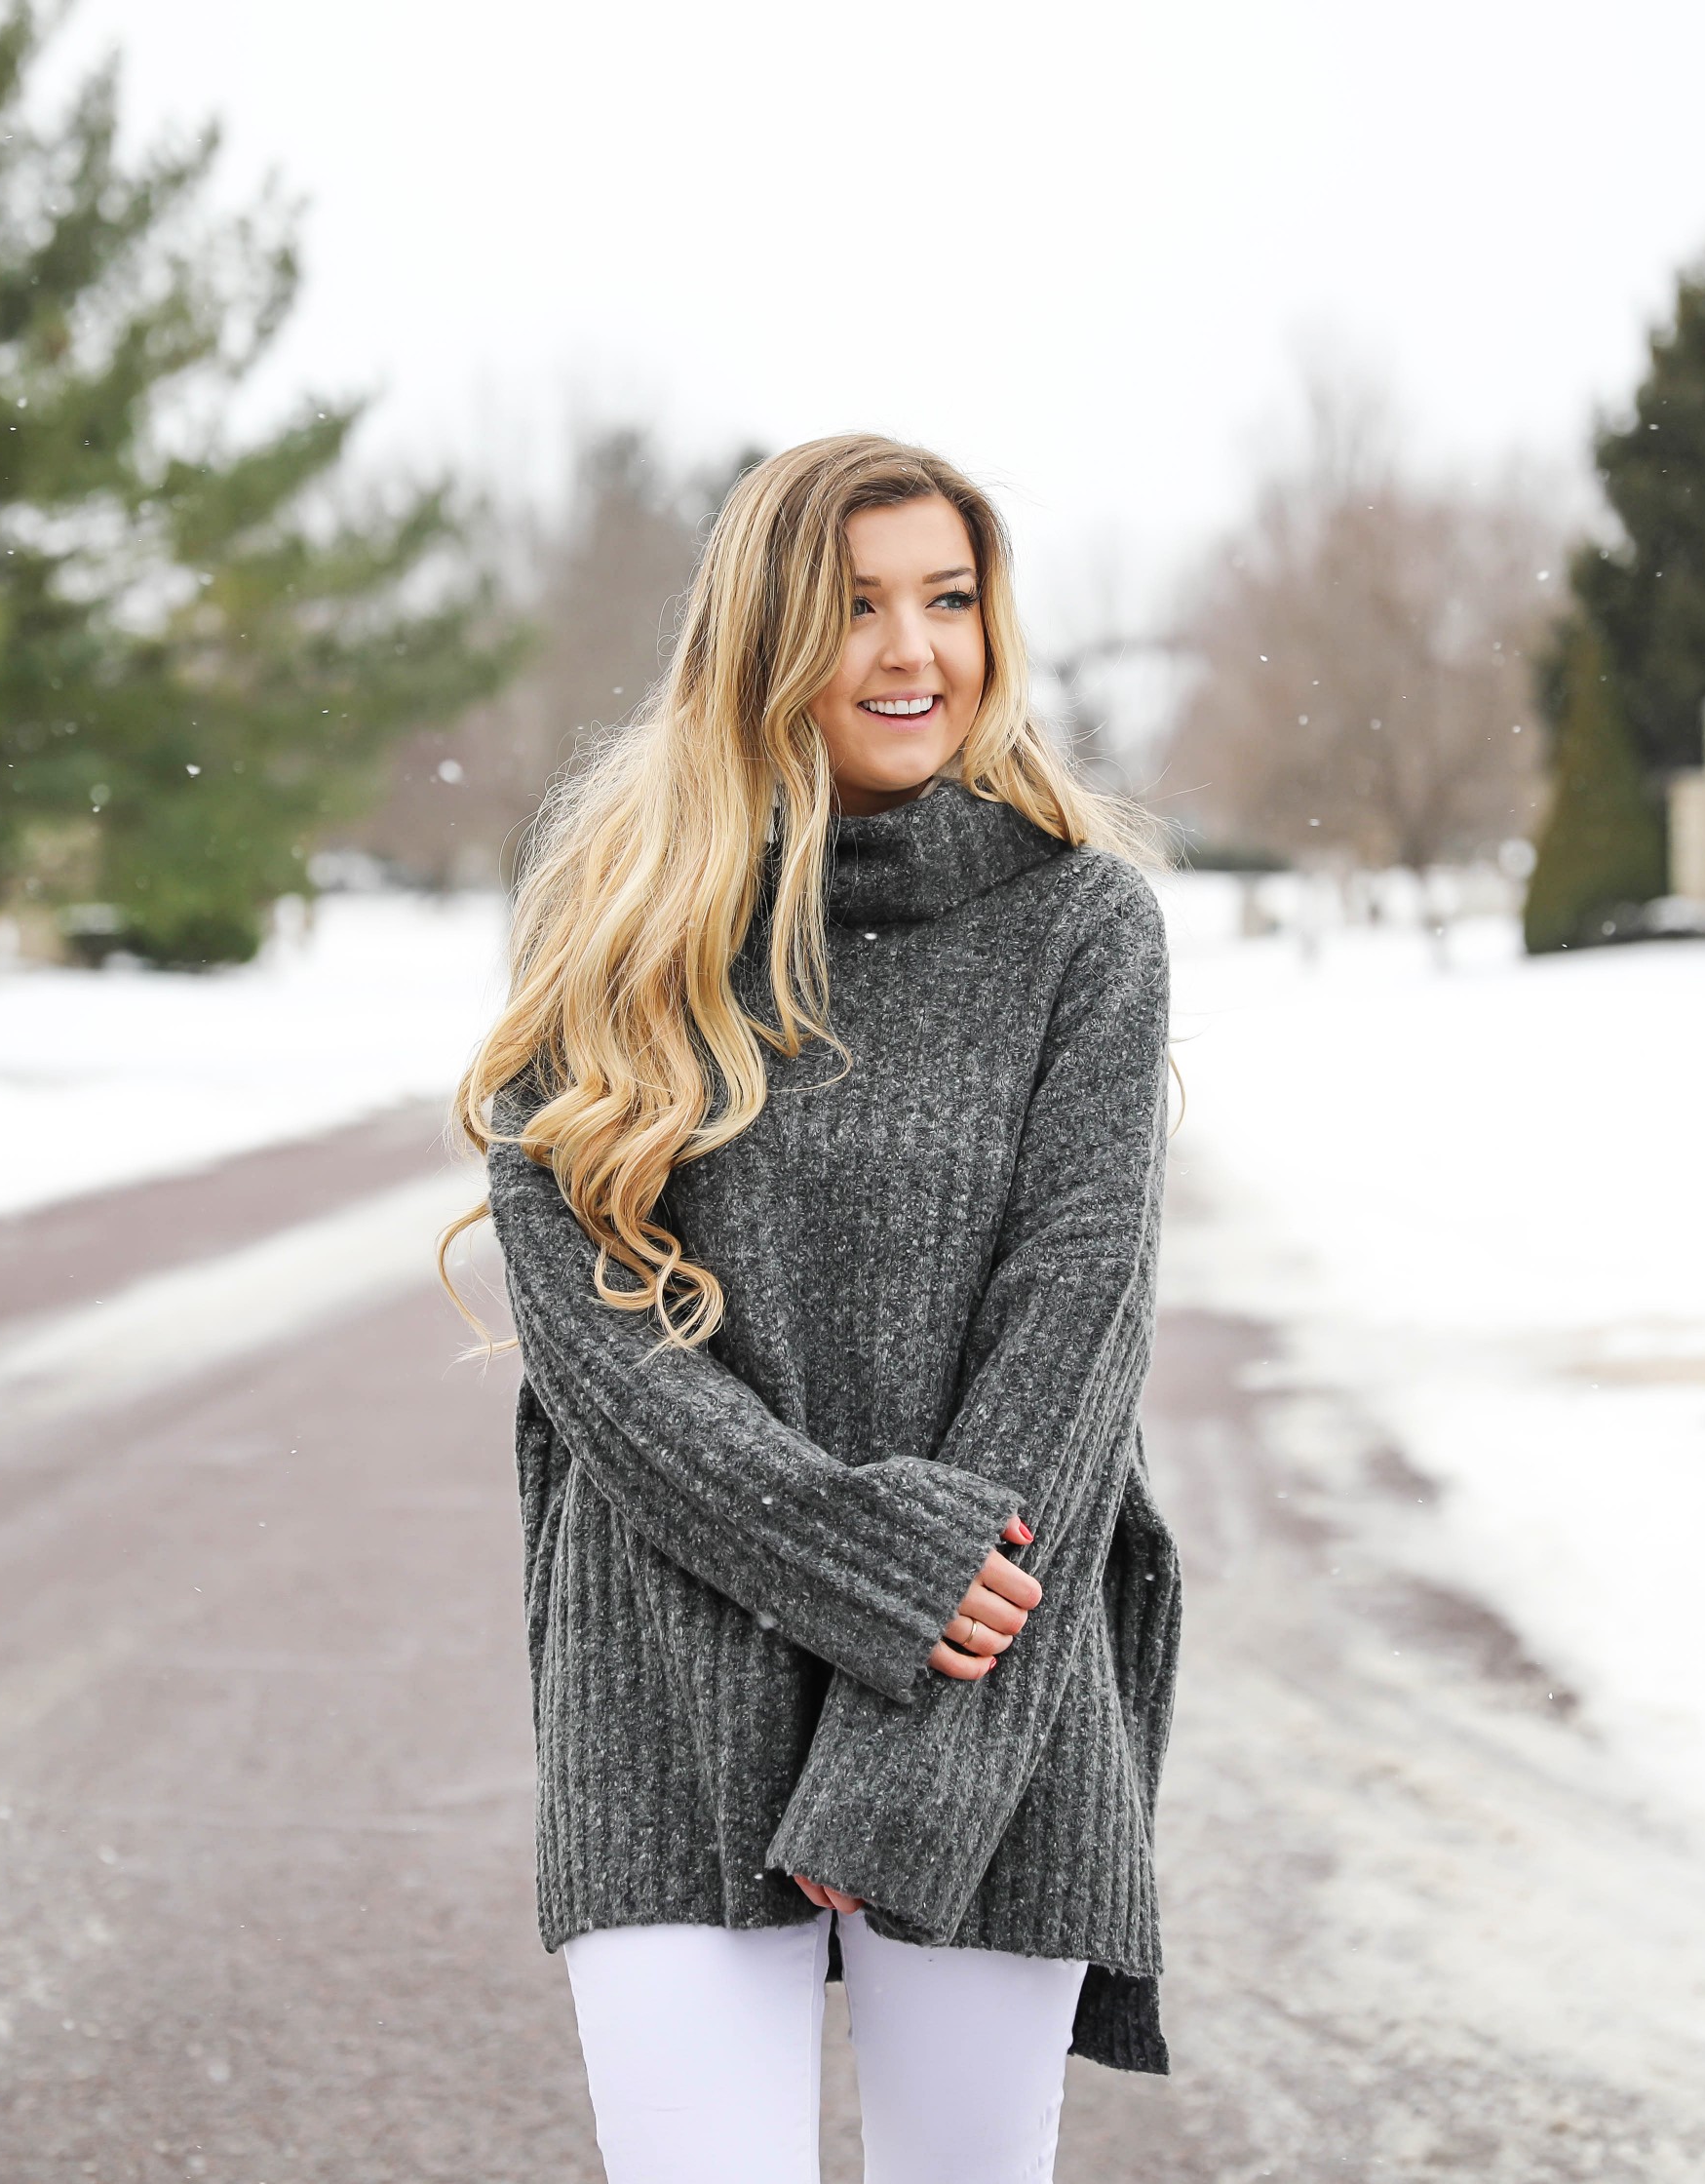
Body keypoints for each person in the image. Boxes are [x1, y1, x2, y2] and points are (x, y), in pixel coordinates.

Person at [445, 433, 1182, 2184]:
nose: (914, 652)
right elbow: (599, 1347)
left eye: (949, 601)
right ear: (764, 637)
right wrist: (858, 1563)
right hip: (667, 1691)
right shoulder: (615, 922)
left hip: (984, 1691)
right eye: (856, 608)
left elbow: (1072, 1330)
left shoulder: (1084, 930)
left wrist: (909, 1748)